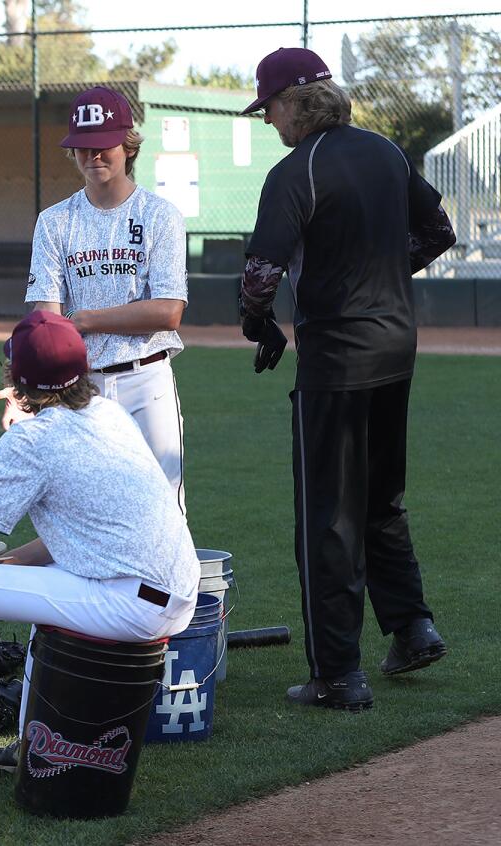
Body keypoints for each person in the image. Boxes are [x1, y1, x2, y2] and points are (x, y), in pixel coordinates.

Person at [0, 311, 199, 816]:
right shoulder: (110, 414)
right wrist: (10, 566)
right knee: (43, 592)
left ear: (13, 379)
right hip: (171, 590)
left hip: (128, 600)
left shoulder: (31, 440)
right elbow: (82, 533)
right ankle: (32, 745)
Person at [238, 48, 455, 711]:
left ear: (294, 103)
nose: (268, 120)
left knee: (327, 517)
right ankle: (413, 627)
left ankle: (337, 675)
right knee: (381, 497)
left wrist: (261, 325)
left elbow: (260, 275)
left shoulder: (295, 168)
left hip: (336, 359)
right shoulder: (385, 152)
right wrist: (384, 277)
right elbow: (438, 230)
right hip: (397, 348)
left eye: (269, 107)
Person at [19, 85, 188, 513]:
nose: (93, 157)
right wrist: (28, 379)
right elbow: (46, 317)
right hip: (81, 385)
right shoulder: (55, 221)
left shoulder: (159, 215)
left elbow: (168, 312)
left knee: (162, 508)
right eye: (83, 147)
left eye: (103, 146)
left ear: (126, 146)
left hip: (145, 379)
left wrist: (86, 320)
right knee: (85, 507)